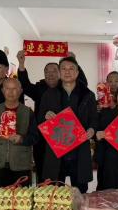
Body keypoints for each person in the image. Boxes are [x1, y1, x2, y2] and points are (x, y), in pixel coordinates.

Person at [38, 56, 97, 194]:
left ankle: (80, 209)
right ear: (59, 72)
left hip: (79, 150)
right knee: (55, 192)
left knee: (80, 192)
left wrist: (92, 130)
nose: (67, 71)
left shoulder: (88, 95)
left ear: (77, 72)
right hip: (56, 151)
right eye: (63, 68)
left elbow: (94, 119)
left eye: (71, 68)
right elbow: (39, 120)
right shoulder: (49, 94)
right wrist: (45, 116)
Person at [0, 78, 38, 186]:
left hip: (21, 163)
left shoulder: (28, 112)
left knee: (21, 196)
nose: (11, 92)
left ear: (20, 91)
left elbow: (35, 137)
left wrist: (21, 139)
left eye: (14, 89)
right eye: (7, 88)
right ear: (3, 91)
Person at [17, 51, 60, 183]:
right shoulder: (39, 88)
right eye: (47, 71)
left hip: (60, 136)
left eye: (54, 71)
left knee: (59, 172)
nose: (50, 74)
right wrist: (21, 64)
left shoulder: (65, 88)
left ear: (60, 73)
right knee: (41, 169)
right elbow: (25, 85)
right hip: (41, 136)